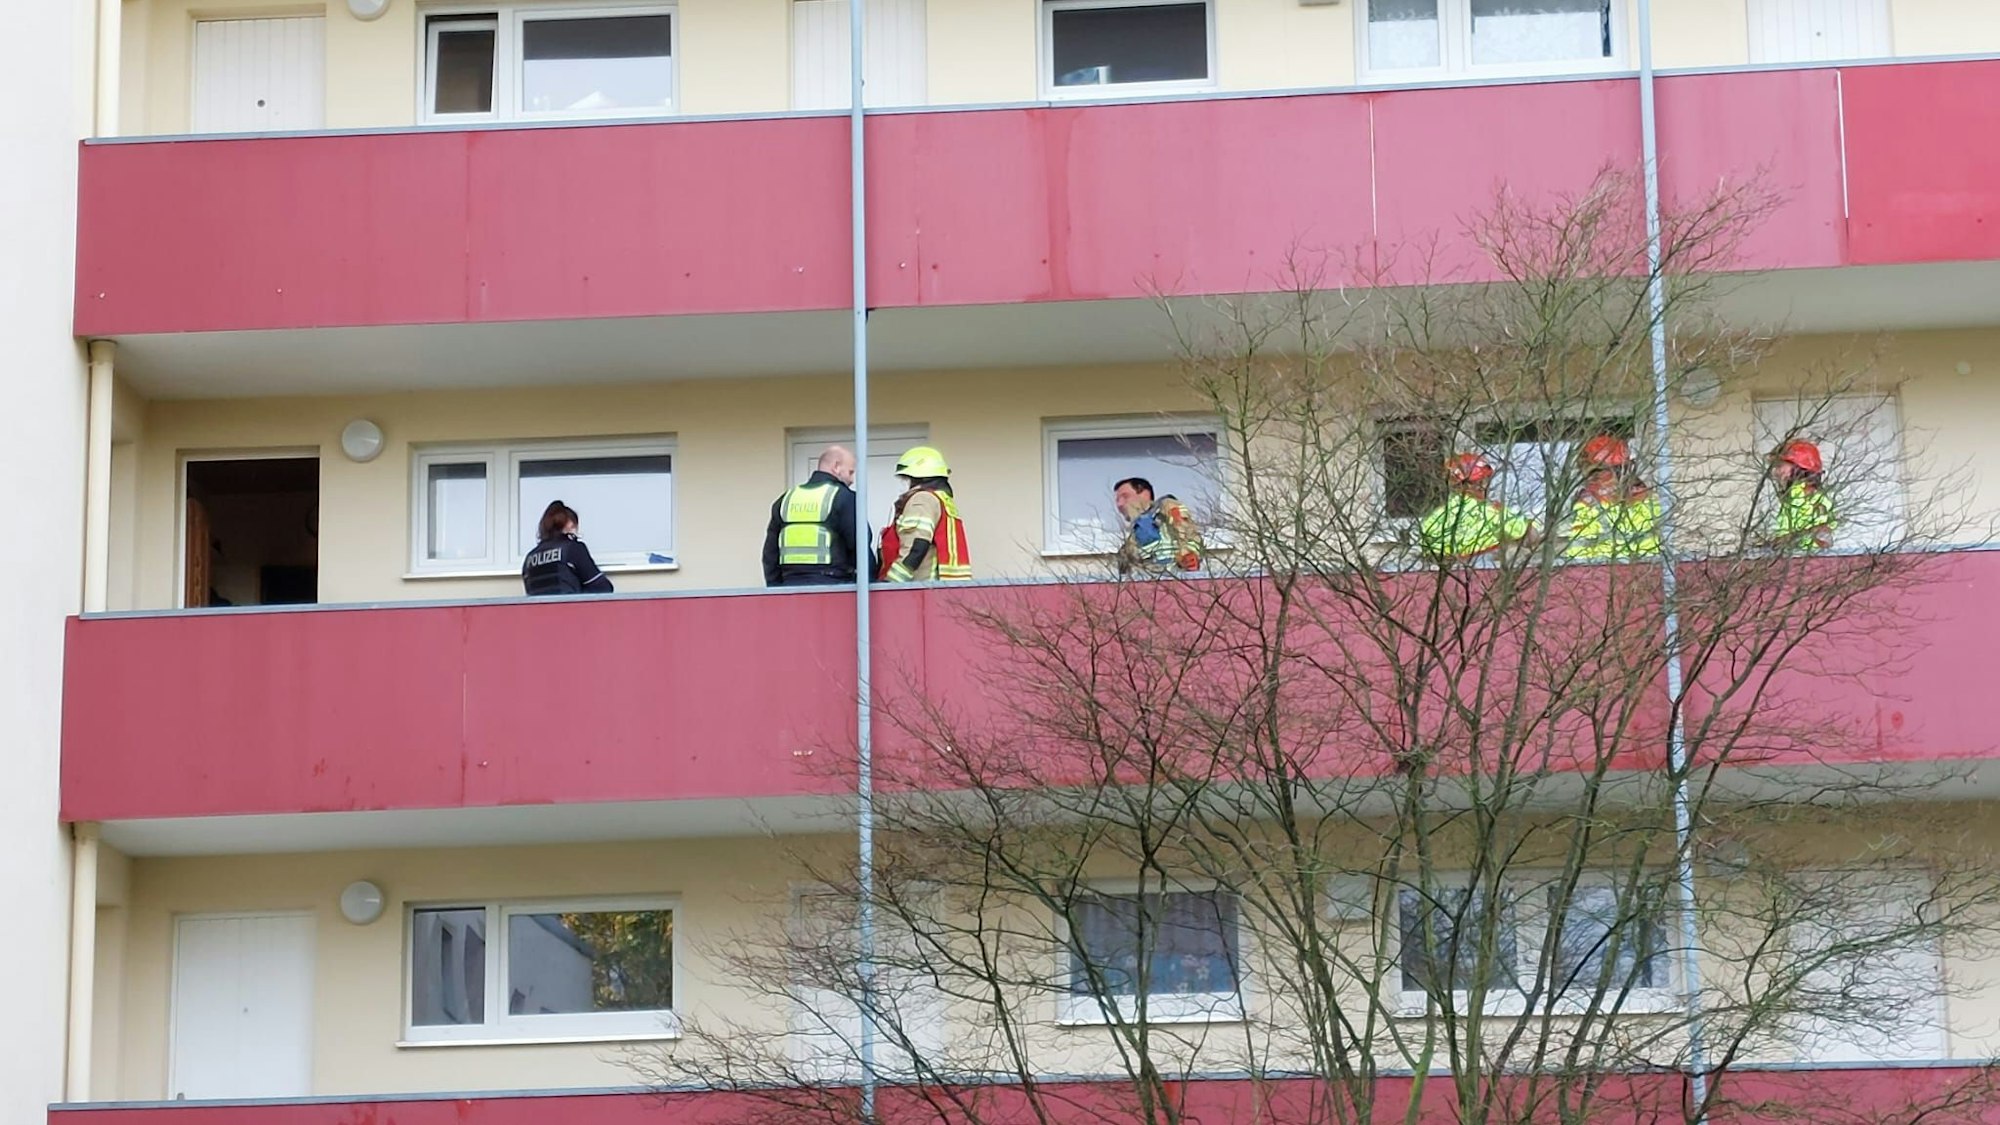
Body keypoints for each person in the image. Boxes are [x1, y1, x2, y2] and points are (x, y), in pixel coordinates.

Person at [762, 445, 876, 587]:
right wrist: (869, 585)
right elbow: (861, 547)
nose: (852, 479)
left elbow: (770, 554)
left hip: (790, 587)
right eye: (850, 472)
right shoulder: (844, 498)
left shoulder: (785, 500)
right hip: (833, 587)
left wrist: (776, 590)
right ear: (836, 466)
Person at [879, 445, 972, 582]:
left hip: (920, 588)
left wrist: (892, 583)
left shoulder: (922, 500)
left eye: (907, 478)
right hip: (945, 589)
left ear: (919, 478)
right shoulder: (943, 500)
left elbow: (916, 546)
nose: (906, 484)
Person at [1416, 453, 1532, 561]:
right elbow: (1531, 534)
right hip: (1485, 572)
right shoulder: (1492, 513)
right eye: (1484, 481)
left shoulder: (1434, 518)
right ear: (1481, 483)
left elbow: (1426, 549)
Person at [1562, 435, 1661, 560]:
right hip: (1649, 570)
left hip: (1604, 572)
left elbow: (1578, 554)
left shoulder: (1587, 504)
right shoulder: (1649, 498)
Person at [521, 500, 614, 596]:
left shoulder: (529, 559)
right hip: (569, 609)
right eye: (574, 525)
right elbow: (603, 587)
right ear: (570, 524)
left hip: (538, 611)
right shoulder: (572, 548)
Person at [1114, 477, 1203, 575]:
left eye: (1125, 496)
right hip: (1151, 583)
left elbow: (1188, 531)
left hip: (1177, 578)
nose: (1120, 504)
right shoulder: (1132, 537)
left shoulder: (1166, 506)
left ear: (1144, 494)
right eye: (1117, 500)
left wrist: (1189, 554)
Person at [1770, 438, 1836, 551]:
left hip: (1810, 562)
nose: (1776, 471)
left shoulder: (1809, 496)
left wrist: (1788, 539)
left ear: (1798, 467)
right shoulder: (1791, 496)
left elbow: (1823, 537)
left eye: (1781, 465)